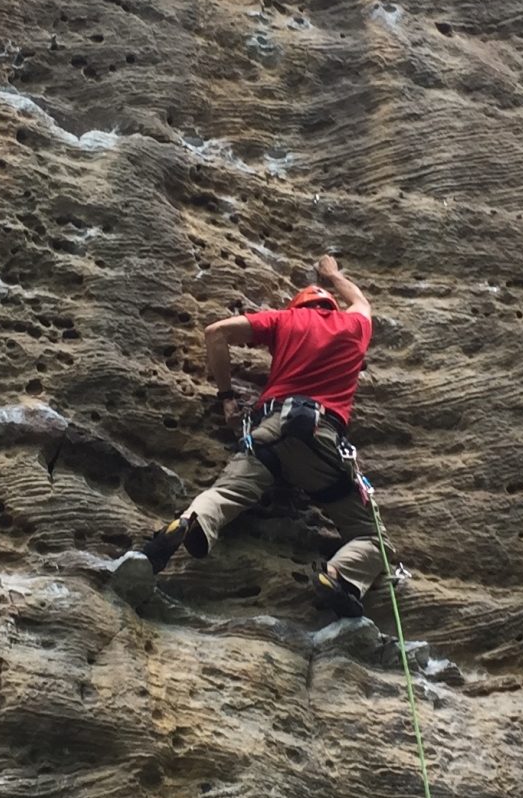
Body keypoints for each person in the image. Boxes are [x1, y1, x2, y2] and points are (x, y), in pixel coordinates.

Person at [114, 254, 388, 618]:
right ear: (330, 305)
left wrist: (227, 397)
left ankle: (190, 522)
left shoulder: (284, 319)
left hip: (269, 432)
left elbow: (216, 332)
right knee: (373, 537)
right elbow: (362, 302)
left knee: (227, 491)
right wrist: (333, 274)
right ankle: (337, 577)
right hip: (321, 440)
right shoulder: (353, 325)